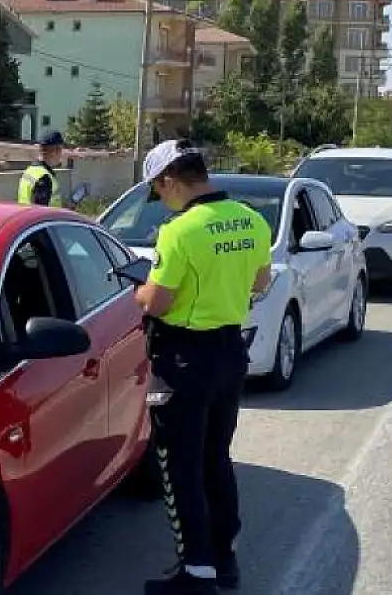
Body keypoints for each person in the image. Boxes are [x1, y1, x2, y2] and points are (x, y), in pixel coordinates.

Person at [136, 139, 273, 594]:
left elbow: (157, 301)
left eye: (158, 190)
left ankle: (196, 573)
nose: (161, 199)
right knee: (216, 457)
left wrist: (140, 291)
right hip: (230, 355)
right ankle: (223, 559)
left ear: (171, 180)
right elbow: (261, 282)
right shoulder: (251, 220)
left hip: (182, 360)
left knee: (179, 466)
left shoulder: (181, 231)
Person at [16, 130, 66, 206]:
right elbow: (41, 212)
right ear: (54, 151)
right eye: (60, 150)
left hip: (26, 216)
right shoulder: (44, 178)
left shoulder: (30, 170)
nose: (61, 155)